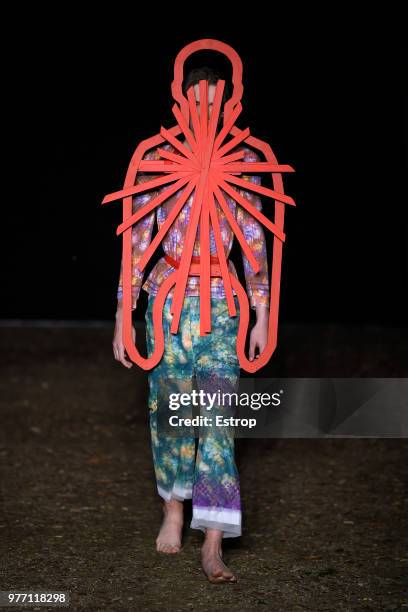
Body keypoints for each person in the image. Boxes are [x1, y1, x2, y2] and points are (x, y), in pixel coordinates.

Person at [113, 66, 270, 583]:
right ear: (181, 100)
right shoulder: (159, 158)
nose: (206, 112)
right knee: (170, 413)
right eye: (197, 102)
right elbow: (136, 241)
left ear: (230, 104)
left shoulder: (244, 161)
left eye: (215, 103)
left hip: (225, 306)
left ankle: (214, 540)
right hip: (168, 305)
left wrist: (262, 313)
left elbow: (254, 238)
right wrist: (123, 313)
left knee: (219, 421)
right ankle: (174, 509)